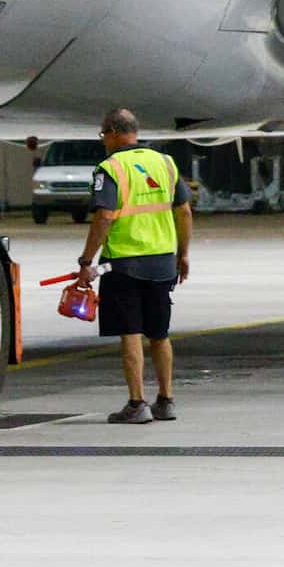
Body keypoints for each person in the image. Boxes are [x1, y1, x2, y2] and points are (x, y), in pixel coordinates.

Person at [72, 106, 193, 424]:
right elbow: (184, 212)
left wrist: (87, 260)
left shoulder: (110, 168)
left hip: (124, 265)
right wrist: (183, 254)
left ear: (112, 132)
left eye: (103, 135)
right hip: (163, 261)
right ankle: (166, 401)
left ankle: (137, 404)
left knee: (130, 332)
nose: (103, 141)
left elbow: (105, 216)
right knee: (160, 334)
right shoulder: (165, 163)